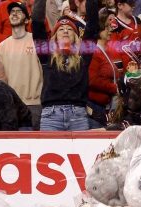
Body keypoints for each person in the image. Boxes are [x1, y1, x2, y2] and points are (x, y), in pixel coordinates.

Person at [32, 0, 98, 130]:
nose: (66, 31)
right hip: (51, 116)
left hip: (78, 116)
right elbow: (37, 24)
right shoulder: (47, 56)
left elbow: (93, 26)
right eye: (61, 29)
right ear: (55, 37)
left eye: (70, 29)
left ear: (76, 37)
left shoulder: (83, 57)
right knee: (50, 151)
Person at [0, 1, 42, 128]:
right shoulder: (2, 46)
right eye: (12, 12)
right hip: (11, 105)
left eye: (19, 11)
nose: (14, 14)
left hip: (34, 103)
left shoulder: (37, 41)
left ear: (27, 20)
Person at [87, 12, 119, 128]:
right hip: (95, 107)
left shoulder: (106, 52)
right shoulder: (94, 52)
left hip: (104, 106)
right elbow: (92, 80)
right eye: (106, 27)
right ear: (98, 30)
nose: (110, 29)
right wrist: (114, 88)